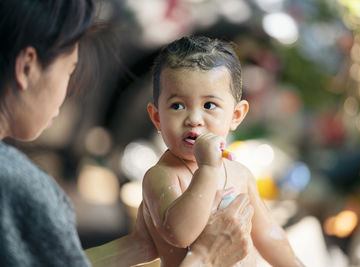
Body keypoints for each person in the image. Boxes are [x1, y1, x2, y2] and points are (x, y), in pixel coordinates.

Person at [0, 1, 254, 266]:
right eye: (70, 71)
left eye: (209, 105)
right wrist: (205, 257)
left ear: (237, 114)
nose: (68, 90)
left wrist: (139, 246)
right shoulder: (19, 187)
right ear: (27, 67)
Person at [144, 35, 305, 267]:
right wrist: (208, 170)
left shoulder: (240, 174)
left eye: (209, 105)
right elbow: (180, 233)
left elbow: (267, 234)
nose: (194, 119)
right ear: (157, 118)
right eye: (177, 105)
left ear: (236, 116)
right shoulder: (163, 176)